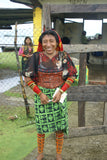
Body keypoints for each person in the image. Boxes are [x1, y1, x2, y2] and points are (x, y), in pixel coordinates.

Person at [24, 30, 77, 160]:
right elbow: (27, 78)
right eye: (45, 41)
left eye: (51, 41)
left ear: (57, 42)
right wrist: (40, 93)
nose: (48, 44)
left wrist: (61, 91)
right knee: (41, 127)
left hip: (59, 95)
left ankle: (58, 155)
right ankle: (40, 154)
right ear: (41, 43)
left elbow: (72, 75)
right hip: (41, 96)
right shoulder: (36, 57)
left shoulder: (64, 56)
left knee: (59, 128)